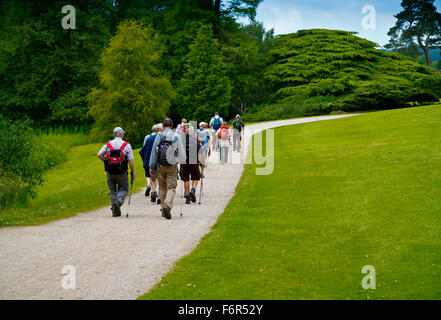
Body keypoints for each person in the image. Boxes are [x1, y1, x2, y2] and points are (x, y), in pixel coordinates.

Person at [149, 118, 186, 219]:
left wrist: (151, 167)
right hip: (172, 165)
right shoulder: (176, 136)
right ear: (172, 125)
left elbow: (153, 153)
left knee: (162, 187)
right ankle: (167, 205)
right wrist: (181, 163)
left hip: (160, 165)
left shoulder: (158, 136)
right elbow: (182, 155)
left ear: (163, 126)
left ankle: (162, 209)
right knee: (171, 187)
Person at [97, 127, 135, 217]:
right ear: (121, 134)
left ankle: (115, 211)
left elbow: (99, 154)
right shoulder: (126, 145)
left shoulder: (108, 144)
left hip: (110, 172)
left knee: (112, 190)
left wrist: (107, 162)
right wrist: (133, 172)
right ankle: (118, 202)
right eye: (123, 133)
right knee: (124, 189)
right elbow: (130, 161)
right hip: (122, 172)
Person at [139, 124, 162, 204]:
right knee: (160, 179)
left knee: (152, 177)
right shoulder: (161, 138)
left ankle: (153, 190)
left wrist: (145, 160)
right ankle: (159, 196)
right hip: (160, 161)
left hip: (150, 161)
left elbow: (142, 150)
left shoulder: (149, 138)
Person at [180, 123, 202, 204]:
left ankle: (187, 196)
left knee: (186, 179)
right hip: (193, 160)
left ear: (184, 131)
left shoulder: (181, 140)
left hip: (184, 161)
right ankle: (193, 189)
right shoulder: (194, 139)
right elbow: (200, 149)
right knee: (195, 177)